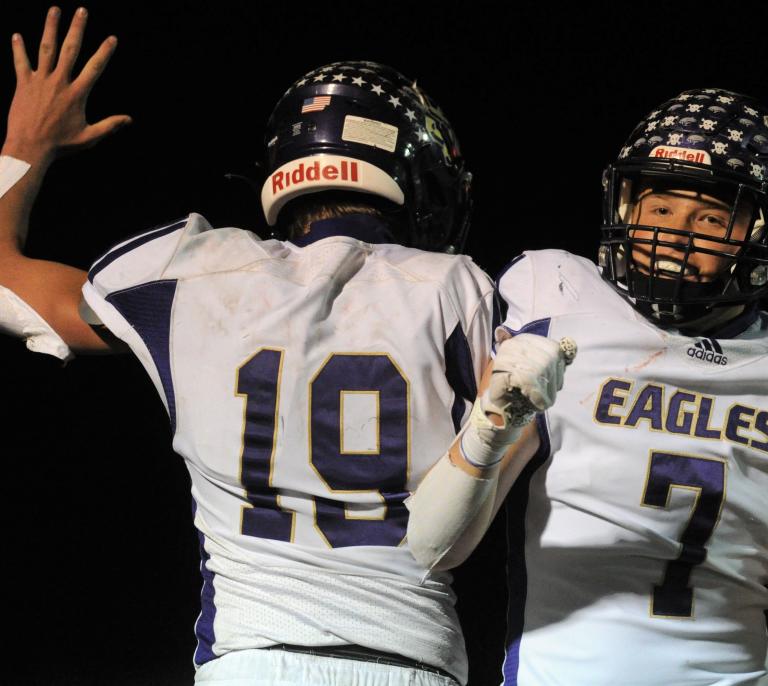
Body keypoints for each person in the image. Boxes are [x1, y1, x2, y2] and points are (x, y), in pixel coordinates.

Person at [0, 7, 495, 685]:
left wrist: (25, 144)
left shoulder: (190, 273)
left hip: (250, 663)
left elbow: (4, 280)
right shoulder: (462, 289)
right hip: (407, 660)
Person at [405, 88, 768, 685]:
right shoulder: (556, 302)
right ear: (626, 206)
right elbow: (432, 547)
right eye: (660, 208)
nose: (675, 235)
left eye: (711, 218)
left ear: (766, 234)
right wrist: (490, 424)